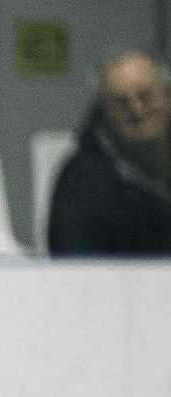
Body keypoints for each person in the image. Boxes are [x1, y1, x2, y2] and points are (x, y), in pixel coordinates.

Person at [48, 49, 171, 255]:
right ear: (104, 113)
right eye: (122, 103)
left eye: (146, 96)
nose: (137, 111)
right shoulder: (80, 181)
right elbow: (72, 267)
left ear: (167, 95)